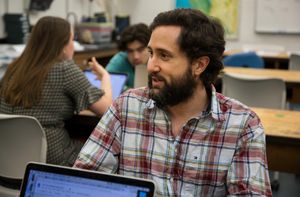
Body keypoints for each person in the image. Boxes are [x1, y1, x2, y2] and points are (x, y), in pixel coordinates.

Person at [74, 9, 272, 196]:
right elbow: (82, 183)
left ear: (199, 65)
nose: (151, 66)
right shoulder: (126, 108)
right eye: (151, 53)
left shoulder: (243, 126)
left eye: (164, 56)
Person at [0, 16, 112, 166]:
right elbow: (106, 110)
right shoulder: (64, 69)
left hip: (7, 165)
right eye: (72, 40)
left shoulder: (13, 67)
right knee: (102, 152)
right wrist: (105, 77)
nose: (74, 45)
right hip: (49, 162)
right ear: (62, 45)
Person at [106, 23, 151, 88]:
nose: (135, 57)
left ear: (150, 47)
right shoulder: (120, 60)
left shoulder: (158, 62)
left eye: (140, 50)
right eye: (130, 51)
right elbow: (105, 81)